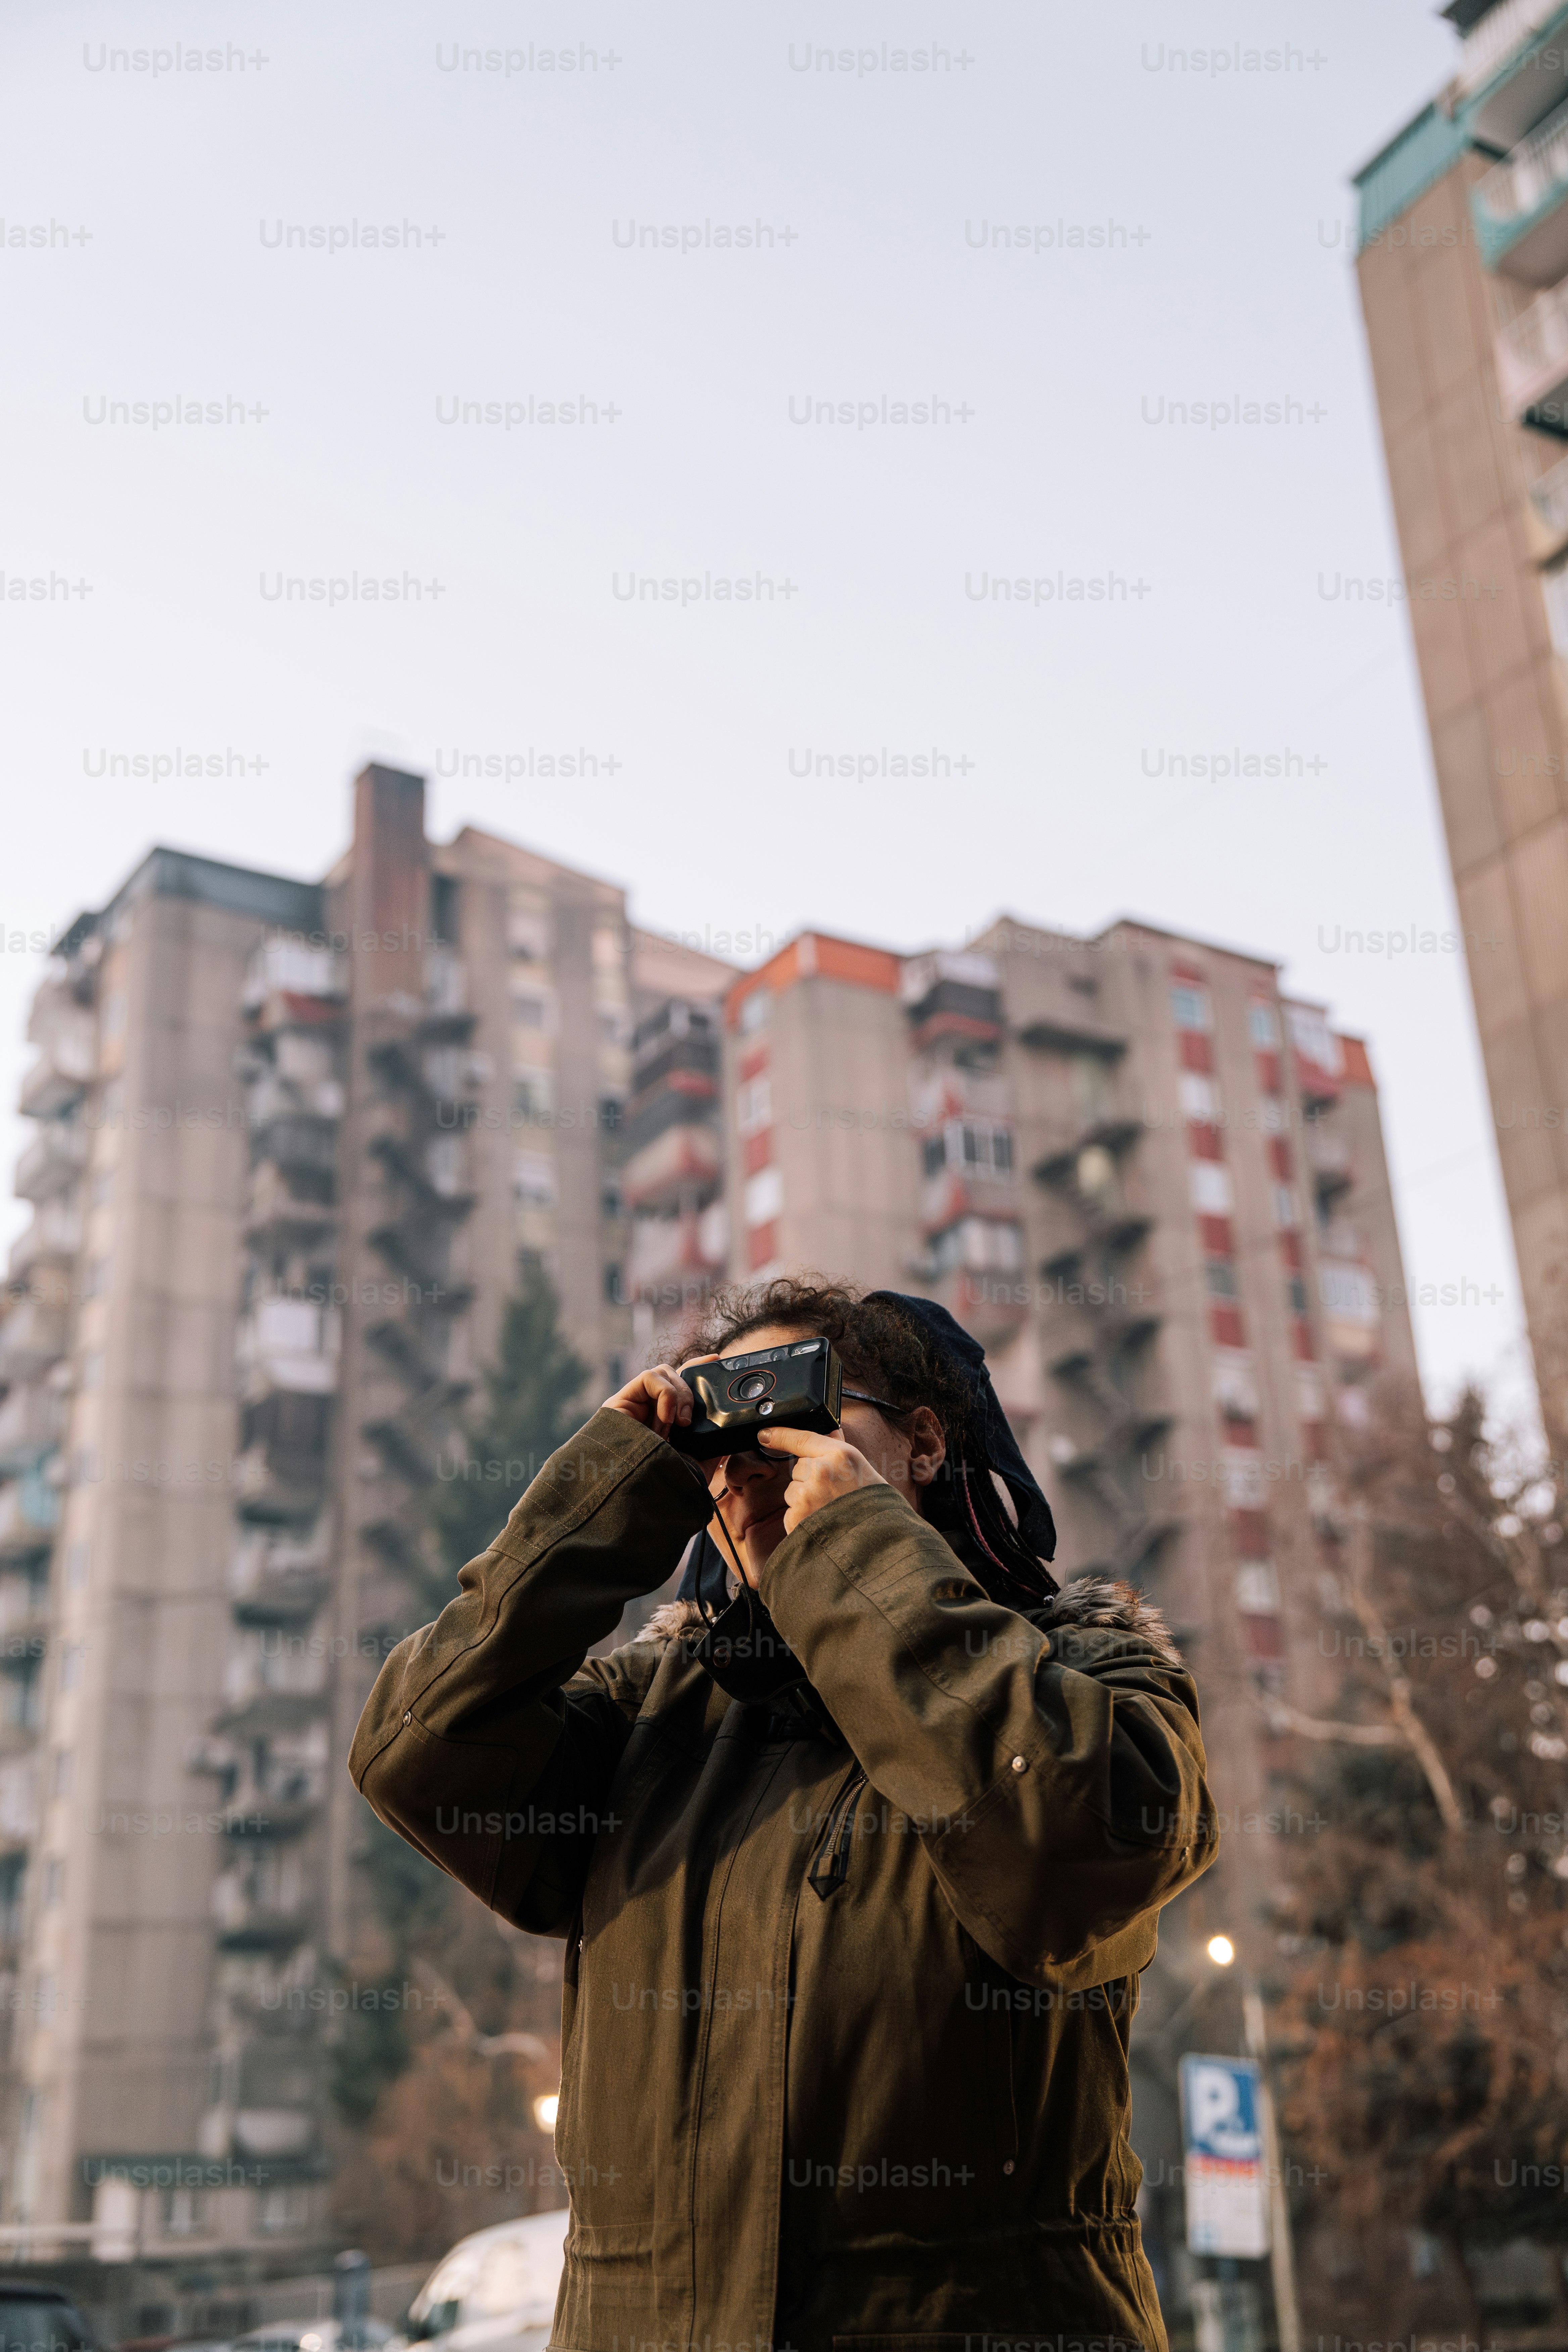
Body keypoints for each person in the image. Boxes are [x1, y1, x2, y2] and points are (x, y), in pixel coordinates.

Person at [350, 1276, 1217, 2352]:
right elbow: (412, 1752)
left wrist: (851, 1551)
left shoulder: (1084, 1672)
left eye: (804, 1408)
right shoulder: (652, 1722)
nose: (757, 1460)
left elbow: (1074, 1845)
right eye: (725, 1435)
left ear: (924, 1445)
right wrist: (611, 1495)